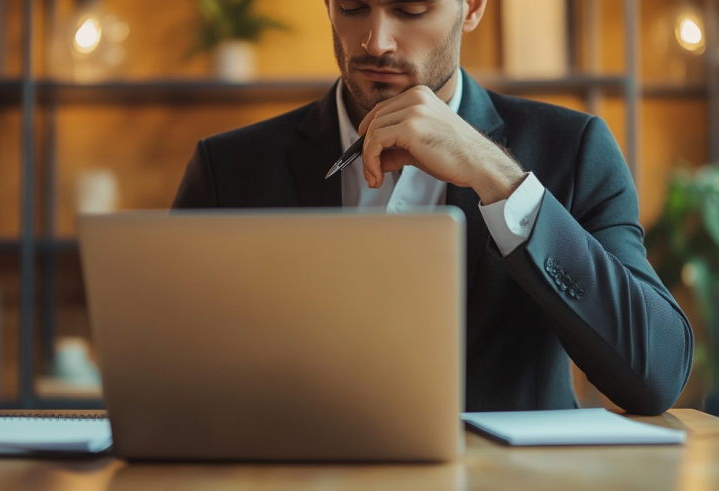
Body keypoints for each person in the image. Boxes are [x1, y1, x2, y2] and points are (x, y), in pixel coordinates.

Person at [173, 0, 693, 415]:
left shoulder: (573, 150)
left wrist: (499, 179)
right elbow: (169, 375)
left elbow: (656, 374)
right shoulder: (227, 169)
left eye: (411, 9)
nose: (375, 41)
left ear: (472, 7)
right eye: (353, 8)